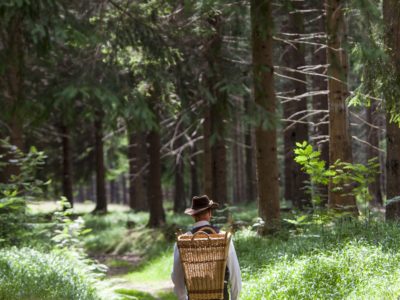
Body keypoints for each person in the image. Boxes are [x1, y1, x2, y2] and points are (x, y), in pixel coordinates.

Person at [171, 195, 242, 300]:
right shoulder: (224, 238)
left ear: (193, 216)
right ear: (210, 213)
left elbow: (177, 277)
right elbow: (235, 274)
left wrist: (183, 298)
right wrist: (234, 298)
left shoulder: (183, 240)